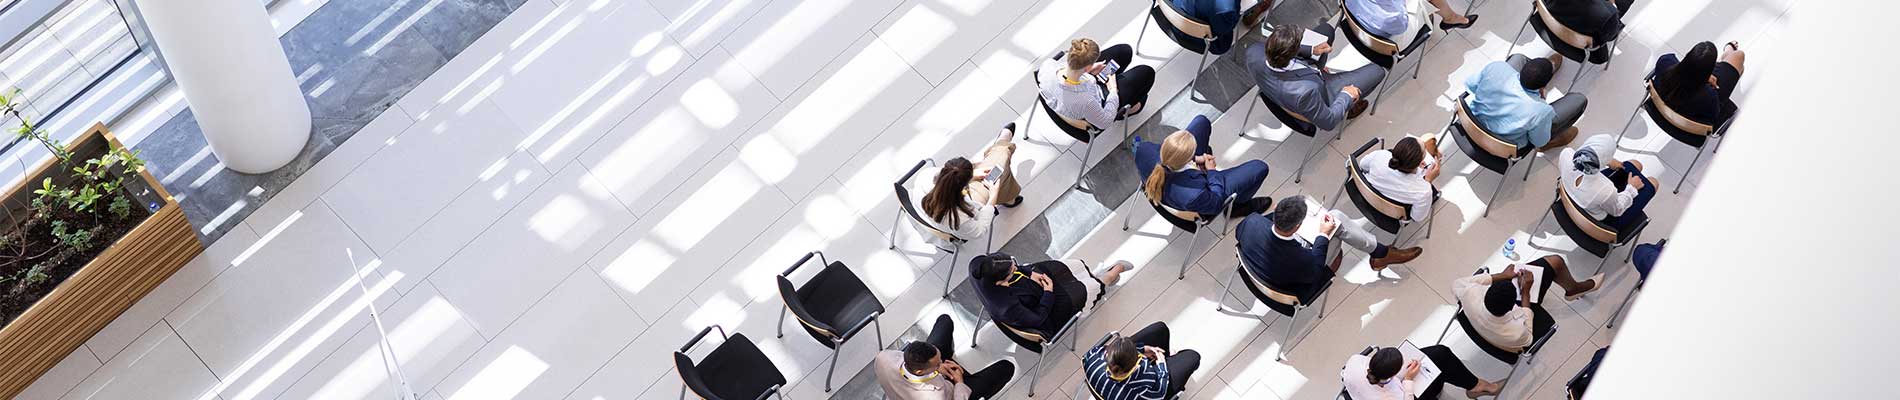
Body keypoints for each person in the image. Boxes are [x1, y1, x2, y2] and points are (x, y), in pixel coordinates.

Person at [1237, 195, 1423, 299]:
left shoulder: (1251, 221)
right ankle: (1381, 253)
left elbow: (1239, 234)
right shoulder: (1302, 260)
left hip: (1259, 268)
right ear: (1296, 227)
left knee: (1335, 217)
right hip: (1290, 281)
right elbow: (1315, 272)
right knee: (1337, 221)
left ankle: (1380, 252)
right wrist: (1323, 234)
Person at [1248, 23, 1386, 131]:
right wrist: (1346, 96)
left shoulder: (1253, 51)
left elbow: (1275, 53)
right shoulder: (1306, 93)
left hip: (1290, 79)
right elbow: (1328, 122)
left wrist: (1310, 50)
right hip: (1323, 92)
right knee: (1377, 71)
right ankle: (1349, 109)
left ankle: (1317, 68)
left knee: (1326, 30)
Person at [1451, 255, 1603, 353]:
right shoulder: (1516, 332)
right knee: (1555, 262)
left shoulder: (1468, 292)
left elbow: (1457, 283)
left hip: (1474, 321)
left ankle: (1573, 289)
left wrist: (1503, 276)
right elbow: (1529, 336)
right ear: (1512, 307)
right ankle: (1574, 289)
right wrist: (1525, 293)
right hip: (1506, 331)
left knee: (1536, 270)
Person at [1133, 115, 1273, 218]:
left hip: (1171, 185)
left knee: (1201, 122)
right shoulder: (1196, 194)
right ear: (1187, 159)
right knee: (1259, 167)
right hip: (1196, 193)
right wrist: (1212, 172)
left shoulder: (1144, 149)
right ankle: (1238, 207)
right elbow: (1216, 201)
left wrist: (1195, 158)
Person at [914, 124, 1025, 250]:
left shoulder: (924, 177)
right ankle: (1001, 145)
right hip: (949, 234)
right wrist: (993, 198)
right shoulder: (958, 218)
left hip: (924, 221)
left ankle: (1009, 194)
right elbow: (980, 231)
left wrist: (971, 176)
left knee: (994, 168)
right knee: (1000, 166)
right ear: (963, 186)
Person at [970, 253, 1129, 337]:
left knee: (1063, 267)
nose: (1016, 267)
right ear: (1001, 282)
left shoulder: (979, 265)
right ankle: (1107, 276)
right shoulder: (1008, 307)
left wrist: (1028, 272)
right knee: (1085, 289)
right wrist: (1048, 292)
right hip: (1046, 315)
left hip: (1027, 291)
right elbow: (1038, 318)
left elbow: (1013, 266)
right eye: (1013, 271)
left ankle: (1094, 277)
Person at [1463, 53, 1586, 151]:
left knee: (1518, 58)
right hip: (1503, 145)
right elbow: (1539, 141)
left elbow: (1470, 85)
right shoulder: (1541, 110)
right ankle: (1553, 141)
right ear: (1544, 86)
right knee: (1579, 100)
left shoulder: (1496, 67)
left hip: (1472, 123)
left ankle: (1541, 70)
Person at [876, 314, 1017, 399]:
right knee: (1006, 368)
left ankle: (942, 355)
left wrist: (938, 368)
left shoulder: (883, 358)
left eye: (940, 359)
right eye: (937, 364)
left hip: (900, 387)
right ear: (920, 371)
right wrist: (959, 382)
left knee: (945, 321)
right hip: (953, 393)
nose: (942, 363)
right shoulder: (933, 396)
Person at [1038, 38, 1157, 129]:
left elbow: (1068, 73)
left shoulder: (1047, 66)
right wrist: (1113, 91)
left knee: (1124, 51)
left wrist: (1088, 71)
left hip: (1083, 85)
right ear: (1087, 66)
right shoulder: (1086, 101)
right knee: (1146, 72)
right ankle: (1125, 112)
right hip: (1099, 103)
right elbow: (1105, 122)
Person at [1560, 133, 1657, 233]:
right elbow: (1617, 210)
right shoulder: (1606, 190)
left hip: (1576, 196)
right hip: (1602, 222)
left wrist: (1607, 161)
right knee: (1653, 183)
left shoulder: (1566, 154)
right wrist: (1632, 188)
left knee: (1635, 164)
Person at [1082, 322, 1201, 400]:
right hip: (1150, 388)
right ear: (1135, 366)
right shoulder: (1138, 387)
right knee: (1193, 357)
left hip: (1102, 388)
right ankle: (1170, 358)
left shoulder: (1092, 357)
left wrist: (1143, 349)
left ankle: (1170, 357)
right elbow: (1159, 393)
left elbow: (1089, 355)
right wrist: (1162, 366)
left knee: (1160, 329)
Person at [1342, 345, 1504, 399]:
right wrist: (1408, 380)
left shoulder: (1355, 361)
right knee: (1438, 366)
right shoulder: (1389, 397)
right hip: (1405, 394)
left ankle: (1475, 385)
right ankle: (1477, 387)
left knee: (1439, 354)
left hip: (1359, 392)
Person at [1650, 41, 1746, 125]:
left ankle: (1727, 53)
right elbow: (1714, 114)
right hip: (1690, 119)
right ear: (1710, 71)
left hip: (1661, 106)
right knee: (1739, 57)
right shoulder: (1709, 95)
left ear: (1688, 55)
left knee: (1734, 61)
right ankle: (1727, 52)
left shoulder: (1665, 61)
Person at [1356, 134, 1444, 222]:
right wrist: (1428, 181)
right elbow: (1417, 218)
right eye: (1425, 150)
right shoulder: (1423, 191)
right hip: (1391, 217)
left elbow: (1362, 165)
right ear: (1420, 160)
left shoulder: (1379, 155)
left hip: (1365, 195)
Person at [1164, 0, 1274, 55]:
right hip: (1197, 37)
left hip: (1168, 13)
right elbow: (1224, 29)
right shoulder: (1226, 10)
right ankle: (1254, 11)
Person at [1544, 0, 1634, 63]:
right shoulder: (1607, 15)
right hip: (1580, 45)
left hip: (1547, 21)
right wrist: (1612, 6)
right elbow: (1611, 36)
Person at [1344, 0, 1478, 39]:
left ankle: (1449, 17)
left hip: (1360, 23)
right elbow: (1399, 24)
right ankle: (1451, 18)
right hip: (1386, 35)